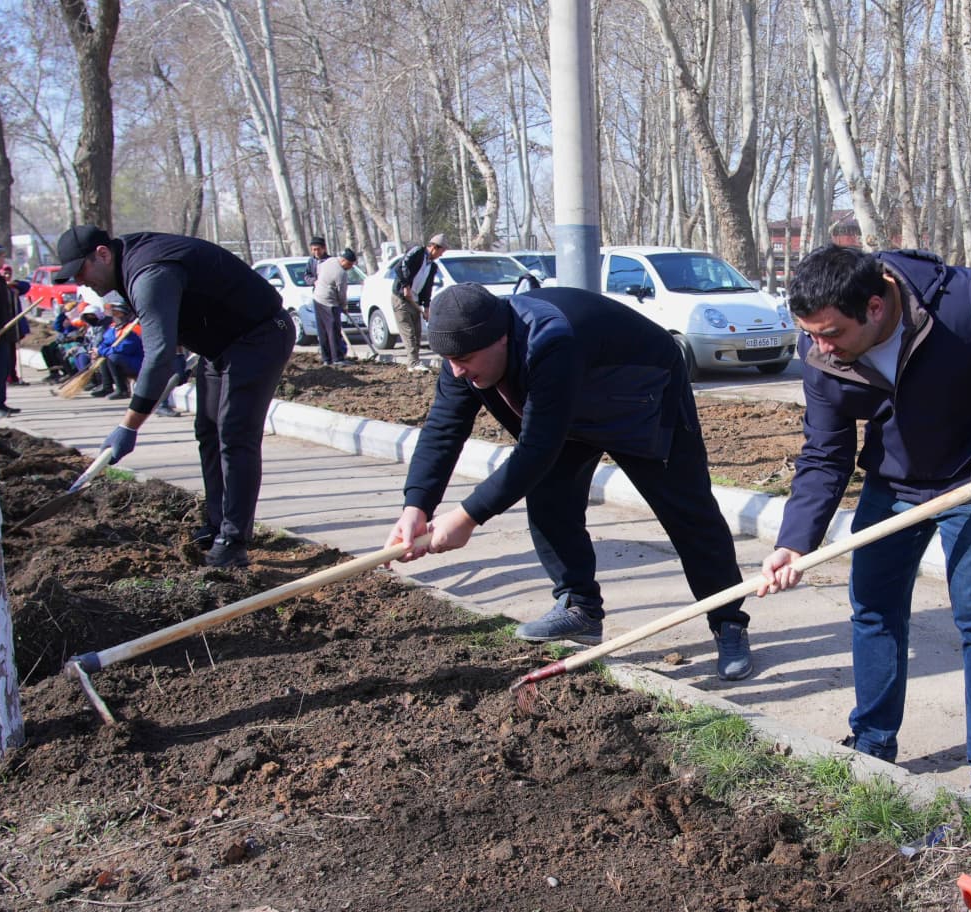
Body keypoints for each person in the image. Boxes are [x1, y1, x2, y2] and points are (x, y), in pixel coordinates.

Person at [753, 245, 971, 802]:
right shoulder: (821, 352)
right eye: (811, 333)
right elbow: (825, 451)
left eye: (831, 333)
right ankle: (873, 740)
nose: (819, 346)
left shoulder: (964, 307)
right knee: (873, 608)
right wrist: (793, 542)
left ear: (876, 306)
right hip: (891, 483)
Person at [385, 282, 756, 681]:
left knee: (688, 512)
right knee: (549, 499)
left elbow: (536, 448)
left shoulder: (550, 340)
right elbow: (443, 429)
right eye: (449, 360)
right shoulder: (465, 349)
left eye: (464, 359)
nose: (457, 370)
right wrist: (417, 506)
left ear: (502, 338)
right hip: (569, 405)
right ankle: (579, 607)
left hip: (641, 395)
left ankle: (728, 620)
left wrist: (468, 516)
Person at [54, 224, 294, 569]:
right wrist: (181, 350)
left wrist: (129, 426)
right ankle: (217, 524)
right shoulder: (130, 262)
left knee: (234, 433)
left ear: (102, 254)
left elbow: (157, 357)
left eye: (81, 271)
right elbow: (180, 304)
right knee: (208, 431)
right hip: (222, 345)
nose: (81, 282)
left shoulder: (148, 272)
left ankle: (234, 540)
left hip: (261, 336)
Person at [391, 234, 447, 360]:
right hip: (401, 298)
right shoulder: (417, 252)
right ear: (434, 248)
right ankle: (413, 363)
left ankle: (415, 361)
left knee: (417, 333)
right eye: (441, 251)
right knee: (409, 332)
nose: (441, 255)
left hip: (414, 301)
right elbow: (400, 267)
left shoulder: (432, 266)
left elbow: (428, 288)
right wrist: (405, 286)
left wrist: (427, 308)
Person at [0, 241, 22, 416]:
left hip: (5, 333)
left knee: (3, 369)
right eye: (1, 256)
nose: (3, 260)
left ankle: (0, 402)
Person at [88, 299, 145, 400]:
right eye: (113, 313)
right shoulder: (114, 328)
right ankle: (107, 387)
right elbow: (105, 342)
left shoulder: (133, 328)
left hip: (135, 362)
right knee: (104, 357)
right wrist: (98, 351)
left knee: (113, 357)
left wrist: (102, 351)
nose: (114, 315)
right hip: (122, 359)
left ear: (124, 314)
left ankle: (122, 390)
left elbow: (124, 349)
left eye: (117, 313)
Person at [313, 247, 356, 365]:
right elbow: (341, 293)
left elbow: (318, 271)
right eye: (350, 264)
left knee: (323, 331)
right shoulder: (341, 273)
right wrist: (344, 306)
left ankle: (326, 358)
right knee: (333, 331)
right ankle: (338, 358)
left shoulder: (329, 261)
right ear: (343, 261)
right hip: (329, 303)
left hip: (317, 298)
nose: (350, 267)